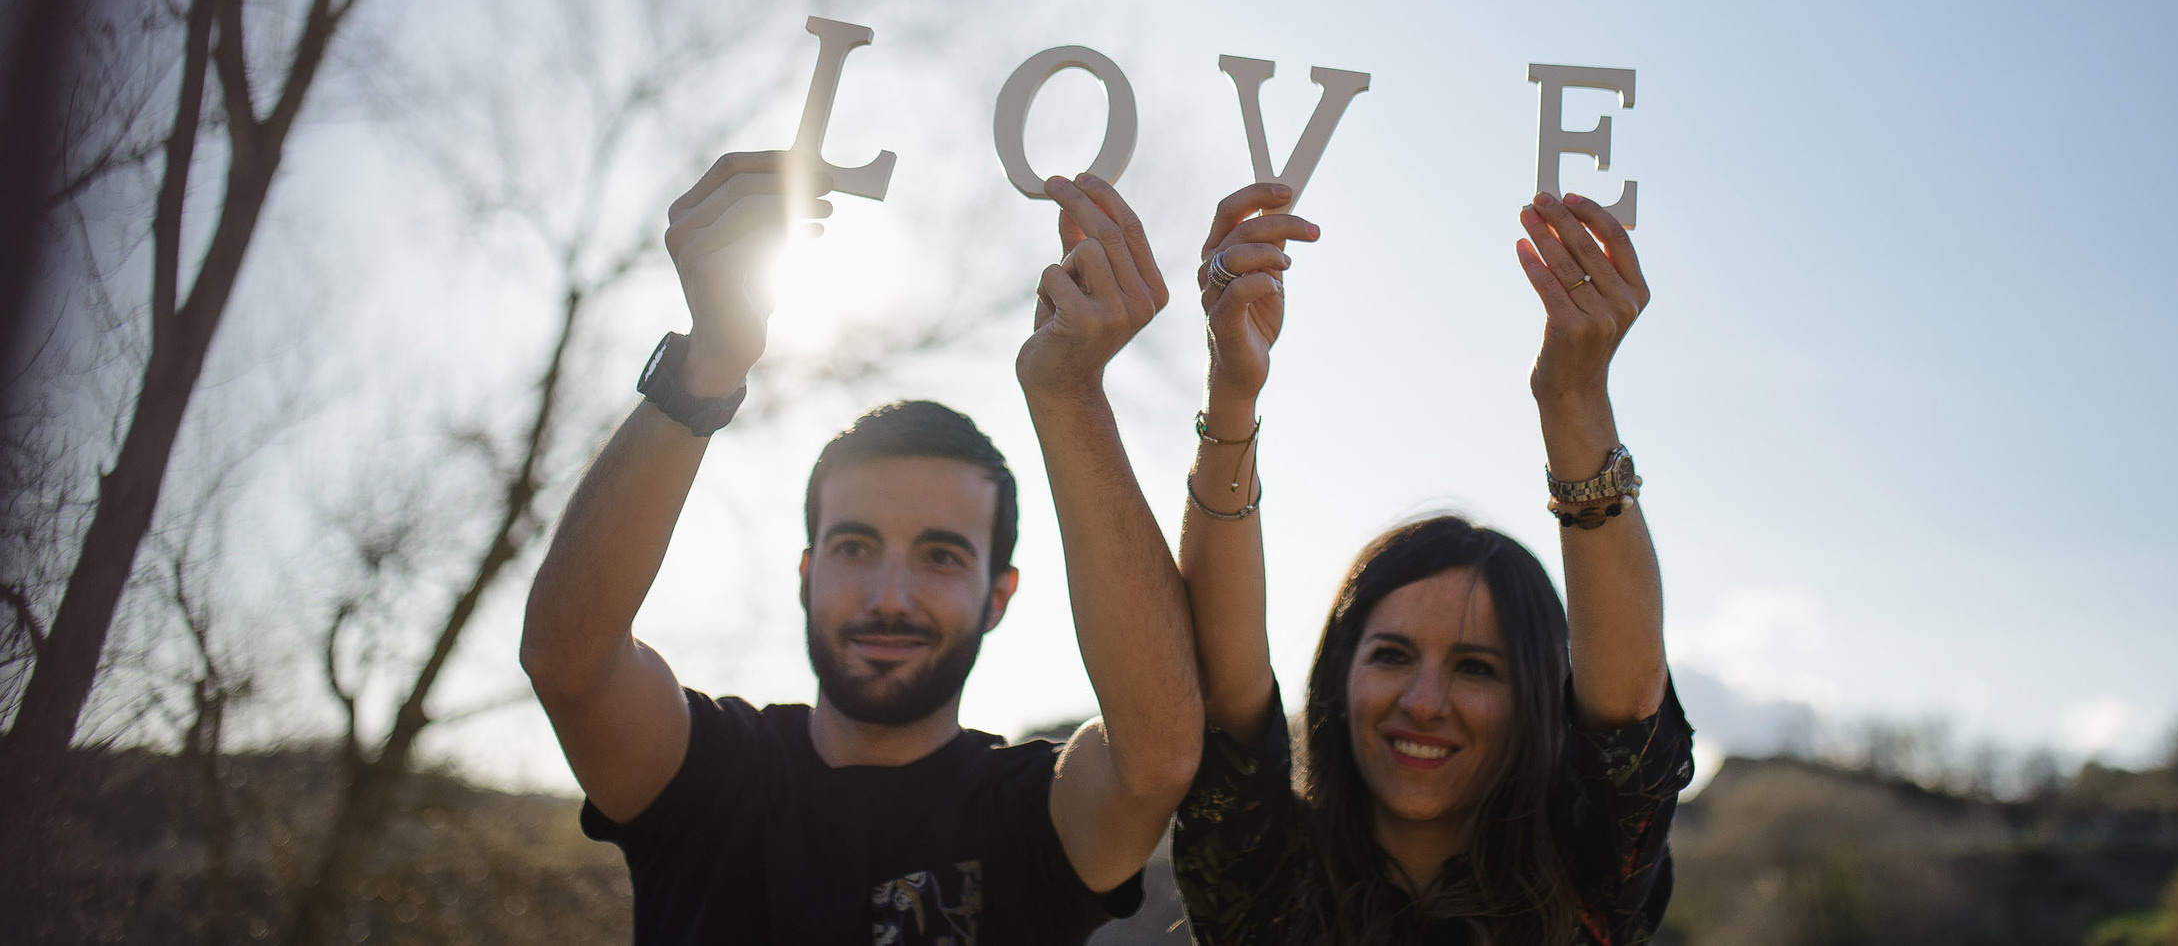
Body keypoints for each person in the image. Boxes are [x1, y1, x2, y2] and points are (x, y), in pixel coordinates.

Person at [520, 157, 1199, 945]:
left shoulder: (1026, 813)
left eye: (941, 556)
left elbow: (1158, 759)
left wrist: (1071, 394)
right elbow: (567, 661)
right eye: (853, 547)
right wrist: (707, 361)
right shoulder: (706, 776)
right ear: (807, 574)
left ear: (1000, 594)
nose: (888, 595)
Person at [1172, 186, 1693, 946]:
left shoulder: (1587, 873)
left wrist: (1574, 400)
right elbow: (1223, 680)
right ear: (1338, 677)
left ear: (1538, 701)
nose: (1423, 701)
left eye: (1477, 668)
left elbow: (1628, 710)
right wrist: (1231, 388)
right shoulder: (1263, 873)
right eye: (1390, 655)